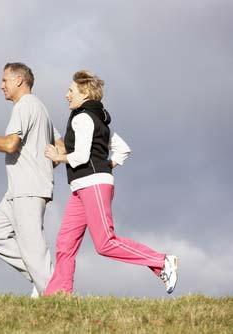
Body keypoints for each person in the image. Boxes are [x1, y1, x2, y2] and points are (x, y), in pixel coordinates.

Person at [43, 70, 178, 295]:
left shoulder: (83, 118)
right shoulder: (98, 119)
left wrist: (59, 157)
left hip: (93, 185)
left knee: (105, 243)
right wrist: (107, 165)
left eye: (71, 90)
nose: (66, 95)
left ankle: (161, 261)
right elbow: (122, 149)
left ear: (84, 93)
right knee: (65, 242)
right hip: (81, 187)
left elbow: (82, 157)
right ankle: (58, 294)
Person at [0, 62, 62, 296]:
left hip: (28, 189)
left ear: (19, 80)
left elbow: (11, 144)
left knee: (34, 250)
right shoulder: (41, 108)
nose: (1, 86)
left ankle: (58, 297)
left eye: (4, 80)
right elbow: (60, 146)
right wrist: (47, 162)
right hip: (18, 190)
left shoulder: (25, 105)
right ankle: (45, 279)